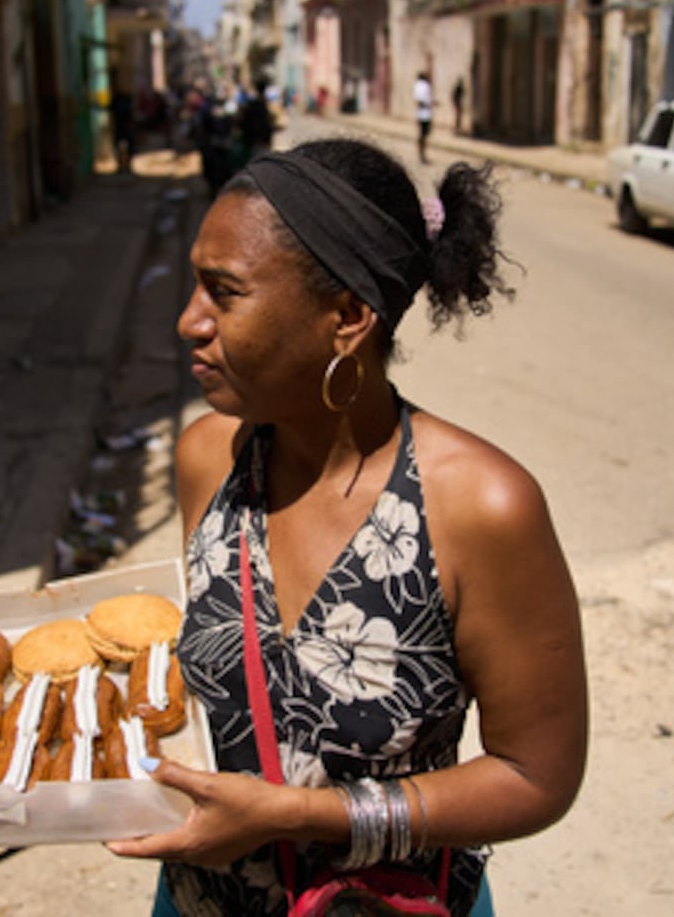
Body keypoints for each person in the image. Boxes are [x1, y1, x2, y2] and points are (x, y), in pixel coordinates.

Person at [107, 139, 588, 917]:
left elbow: (535, 776)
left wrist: (300, 816)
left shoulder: (480, 507)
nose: (189, 321)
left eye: (224, 292)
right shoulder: (208, 459)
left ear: (348, 318)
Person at [414, 71, 434, 163]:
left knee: (423, 135)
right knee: (423, 135)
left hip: (422, 113)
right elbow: (422, 100)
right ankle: (422, 155)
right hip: (425, 114)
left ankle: (421, 154)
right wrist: (429, 103)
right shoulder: (423, 86)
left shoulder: (418, 85)